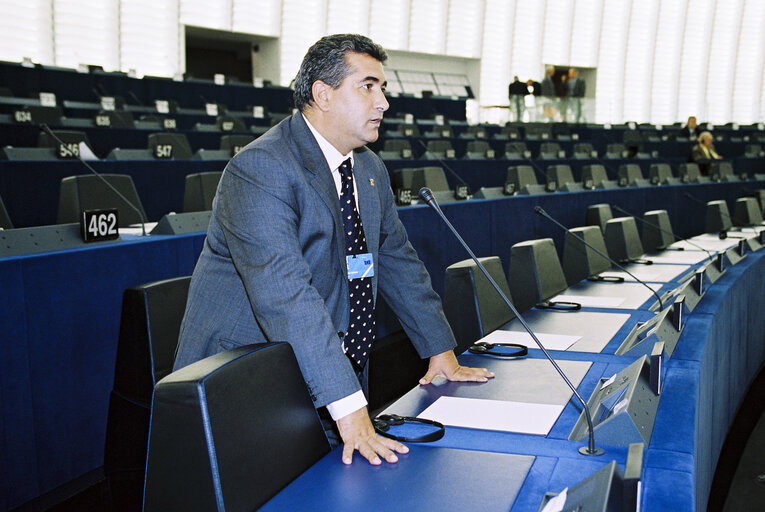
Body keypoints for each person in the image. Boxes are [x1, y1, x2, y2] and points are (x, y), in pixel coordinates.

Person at [173, 34, 494, 467]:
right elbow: (286, 296)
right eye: (368, 87)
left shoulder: (368, 167)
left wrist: (440, 352)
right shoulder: (260, 168)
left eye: (383, 88)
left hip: (326, 368)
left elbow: (398, 263)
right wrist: (349, 403)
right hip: (248, 377)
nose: (383, 103)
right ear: (322, 94)